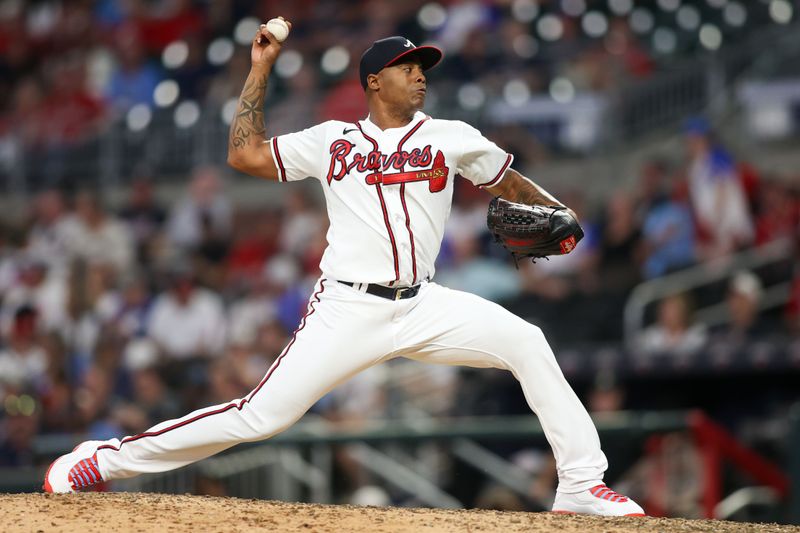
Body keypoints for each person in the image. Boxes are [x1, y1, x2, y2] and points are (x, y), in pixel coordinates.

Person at [43, 19, 644, 517]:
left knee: (527, 341)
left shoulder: (451, 136)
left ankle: (580, 483)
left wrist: (555, 209)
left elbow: (503, 179)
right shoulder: (333, 140)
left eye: (423, 68)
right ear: (374, 82)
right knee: (261, 416)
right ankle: (104, 459)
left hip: (422, 304)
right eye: (408, 67)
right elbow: (243, 154)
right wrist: (260, 66)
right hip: (348, 307)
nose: (419, 76)